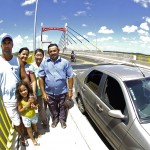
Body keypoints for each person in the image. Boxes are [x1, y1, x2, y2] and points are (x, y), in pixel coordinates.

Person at [0, 35, 30, 146]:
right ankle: (22, 137)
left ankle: (28, 132)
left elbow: (24, 77)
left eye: (9, 43)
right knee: (16, 121)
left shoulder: (18, 61)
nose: (7, 45)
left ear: (12, 45)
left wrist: (30, 93)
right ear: (1, 46)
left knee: (25, 115)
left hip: (21, 96)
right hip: (8, 99)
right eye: (5, 43)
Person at [38, 43, 74, 129]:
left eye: (54, 51)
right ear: (48, 52)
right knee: (52, 108)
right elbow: (41, 78)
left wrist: (70, 91)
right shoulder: (44, 63)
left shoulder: (65, 62)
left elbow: (70, 77)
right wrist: (43, 93)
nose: (53, 53)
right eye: (51, 51)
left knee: (63, 107)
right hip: (49, 92)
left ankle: (62, 120)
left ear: (58, 51)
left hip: (62, 91)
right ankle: (55, 119)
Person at [16, 81, 41, 146]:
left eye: (25, 90)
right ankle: (32, 139)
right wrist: (26, 106)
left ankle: (36, 132)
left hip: (33, 115)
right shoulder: (20, 101)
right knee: (29, 129)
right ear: (19, 92)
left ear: (27, 89)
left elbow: (36, 107)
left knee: (35, 125)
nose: (23, 92)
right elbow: (20, 110)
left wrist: (34, 107)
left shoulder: (31, 98)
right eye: (21, 91)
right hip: (26, 118)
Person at [30, 48, 49, 129]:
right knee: (40, 108)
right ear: (34, 56)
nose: (38, 57)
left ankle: (45, 119)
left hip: (47, 89)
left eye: (40, 55)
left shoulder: (46, 65)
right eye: (37, 55)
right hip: (37, 91)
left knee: (45, 106)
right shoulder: (31, 67)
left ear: (43, 56)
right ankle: (44, 121)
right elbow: (33, 80)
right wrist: (33, 92)